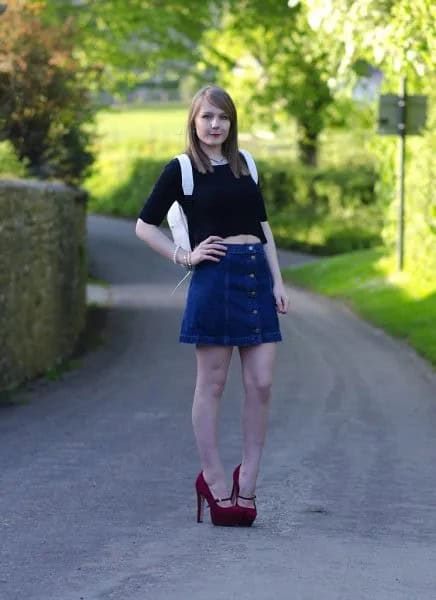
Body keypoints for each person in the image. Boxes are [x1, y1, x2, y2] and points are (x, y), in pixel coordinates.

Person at [135, 85, 289, 527]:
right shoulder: (181, 169)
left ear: (231, 122)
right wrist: (184, 257)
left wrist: (279, 281)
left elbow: (264, 230)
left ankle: (250, 478)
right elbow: (144, 227)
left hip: (256, 278)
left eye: (222, 117)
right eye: (207, 117)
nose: (215, 125)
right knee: (213, 385)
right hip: (214, 278)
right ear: (194, 122)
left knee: (261, 384)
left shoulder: (246, 166)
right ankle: (214, 479)